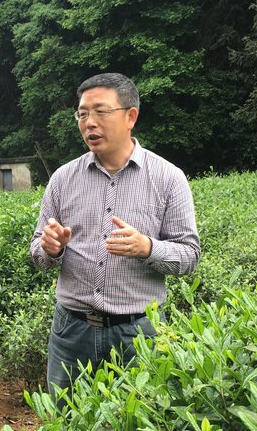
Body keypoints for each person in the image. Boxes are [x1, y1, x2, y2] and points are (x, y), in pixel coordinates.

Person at [30, 72, 200, 404]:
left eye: (100, 111)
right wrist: (50, 248)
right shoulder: (63, 179)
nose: (89, 123)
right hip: (71, 331)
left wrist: (147, 247)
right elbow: (37, 250)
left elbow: (189, 255)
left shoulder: (168, 178)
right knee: (67, 429)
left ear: (130, 116)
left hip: (140, 333)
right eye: (82, 114)